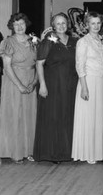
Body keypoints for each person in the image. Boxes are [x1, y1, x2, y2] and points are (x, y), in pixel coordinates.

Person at [33, 13, 78, 163]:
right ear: (53, 26)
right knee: (54, 117)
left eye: (63, 23)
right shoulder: (48, 41)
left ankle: (68, 152)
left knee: (68, 116)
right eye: (58, 23)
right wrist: (43, 85)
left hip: (70, 84)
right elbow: (39, 64)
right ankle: (53, 154)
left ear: (68, 24)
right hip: (52, 84)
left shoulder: (74, 41)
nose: (61, 26)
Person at [0, 13, 38, 163]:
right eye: (16, 24)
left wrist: (34, 82)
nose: (20, 27)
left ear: (26, 24)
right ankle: (15, 151)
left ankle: (29, 150)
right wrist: (20, 85)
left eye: (22, 23)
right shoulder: (8, 42)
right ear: (11, 26)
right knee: (15, 115)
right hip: (14, 82)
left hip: (30, 79)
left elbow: (39, 64)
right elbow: (7, 67)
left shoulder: (34, 40)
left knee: (29, 115)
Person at [72, 12, 103, 164]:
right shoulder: (83, 42)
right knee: (88, 116)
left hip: (100, 81)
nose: (96, 26)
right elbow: (79, 65)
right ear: (87, 25)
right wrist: (84, 87)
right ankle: (85, 152)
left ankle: (95, 151)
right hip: (88, 81)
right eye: (93, 23)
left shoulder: (101, 40)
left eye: (98, 23)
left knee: (97, 117)